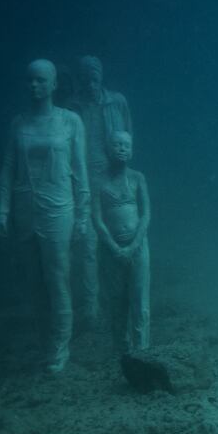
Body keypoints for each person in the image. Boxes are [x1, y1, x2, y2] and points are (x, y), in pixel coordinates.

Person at [0, 60, 91, 373]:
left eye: (39, 80)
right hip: (25, 210)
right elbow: (8, 168)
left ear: (53, 85)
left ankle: (60, 348)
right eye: (29, 81)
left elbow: (80, 171)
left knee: (58, 277)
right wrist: (3, 208)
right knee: (34, 283)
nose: (33, 86)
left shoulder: (71, 122)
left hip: (59, 208)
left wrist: (83, 214)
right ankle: (45, 344)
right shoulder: (18, 123)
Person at [70, 55, 133, 326]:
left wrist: (122, 171)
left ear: (102, 75)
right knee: (88, 246)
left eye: (94, 74)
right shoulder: (72, 107)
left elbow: (127, 136)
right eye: (85, 75)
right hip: (84, 179)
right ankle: (91, 308)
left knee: (120, 238)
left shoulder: (117, 101)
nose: (90, 79)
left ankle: (122, 298)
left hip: (113, 178)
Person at [93, 130, 151, 353]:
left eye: (126, 145)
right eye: (117, 144)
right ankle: (122, 352)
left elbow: (146, 214)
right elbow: (97, 219)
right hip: (110, 251)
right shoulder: (97, 181)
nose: (121, 148)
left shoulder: (138, 178)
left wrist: (134, 245)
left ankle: (143, 350)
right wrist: (115, 248)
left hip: (138, 248)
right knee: (117, 302)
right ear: (108, 149)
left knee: (140, 300)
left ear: (132, 150)